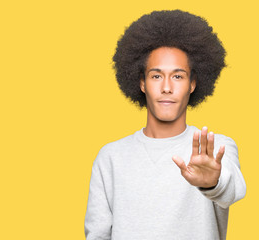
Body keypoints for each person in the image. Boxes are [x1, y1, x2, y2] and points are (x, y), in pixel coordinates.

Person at [84, 10, 246, 240]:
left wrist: (213, 183)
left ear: (192, 84)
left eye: (178, 76)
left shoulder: (215, 148)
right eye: (156, 76)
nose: (167, 87)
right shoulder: (110, 157)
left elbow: (234, 192)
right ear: (142, 83)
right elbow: (97, 235)